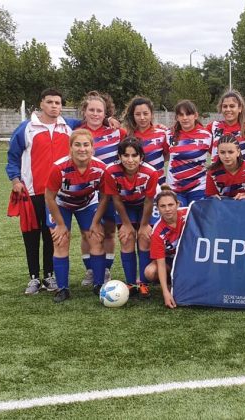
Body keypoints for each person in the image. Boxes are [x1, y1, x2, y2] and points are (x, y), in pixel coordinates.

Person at [6, 88, 80, 295]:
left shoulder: (70, 126)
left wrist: (111, 120)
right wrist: (15, 180)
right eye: (50, 102)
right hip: (32, 191)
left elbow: (95, 122)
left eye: (58, 103)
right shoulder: (26, 129)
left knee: (52, 235)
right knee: (31, 235)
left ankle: (49, 275)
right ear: (41, 104)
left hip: (59, 194)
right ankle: (33, 278)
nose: (54, 106)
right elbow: (12, 158)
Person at [44, 129, 108, 303]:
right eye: (77, 145)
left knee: (95, 238)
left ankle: (98, 284)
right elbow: (49, 196)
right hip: (60, 204)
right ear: (70, 148)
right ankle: (63, 288)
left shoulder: (101, 168)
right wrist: (60, 224)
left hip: (87, 204)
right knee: (61, 240)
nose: (82, 149)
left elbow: (104, 198)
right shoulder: (59, 168)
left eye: (86, 145)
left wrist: (96, 222)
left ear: (92, 148)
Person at [98, 137, 159, 299]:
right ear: (119, 157)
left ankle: (144, 283)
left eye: (134, 155)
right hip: (125, 206)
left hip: (144, 206)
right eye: (125, 155)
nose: (130, 160)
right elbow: (116, 199)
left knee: (145, 238)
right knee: (126, 238)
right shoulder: (110, 171)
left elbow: (149, 201)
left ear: (141, 157)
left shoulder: (151, 173)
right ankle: (131, 284)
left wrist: (145, 225)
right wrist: (126, 224)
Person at [78, 91, 126, 288]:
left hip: (109, 190)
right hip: (84, 191)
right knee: (87, 232)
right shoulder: (77, 131)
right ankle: (90, 269)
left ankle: (105, 269)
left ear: (106, 113)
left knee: (108, 232)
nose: (95, 114)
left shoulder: (116, 132)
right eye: (92, 110)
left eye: (100, 110)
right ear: (84, 111)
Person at [145, 186, 188, 309]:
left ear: (177, 204)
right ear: (157, 208)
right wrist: (165, 293)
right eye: (163, 206)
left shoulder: (189, 213)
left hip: (190, 258)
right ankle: (170, 286)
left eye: (171, 205)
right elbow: (161, 263)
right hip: (170, 261)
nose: (167, 209)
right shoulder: (157, 232)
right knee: (150, 272)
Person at [167, 100, 213, 206]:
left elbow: (216, 156)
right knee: (179, 220)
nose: (185, 118)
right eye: (181, 115)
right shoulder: (169, 134)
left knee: (197, 221)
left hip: (199, 187)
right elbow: (164, 155)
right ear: (177, 117)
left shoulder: (207, 135)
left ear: (195, 115)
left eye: (188, 114)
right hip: (175, 188)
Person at [122, 96, 170, 184]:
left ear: (151, 114)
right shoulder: (127, 136)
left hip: (158, 183)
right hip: (137, 185)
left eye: (145, 113)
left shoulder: (162, 134)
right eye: (137, 114)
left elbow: (167, 155)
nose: (142, 117)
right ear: (133, 116)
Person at [206, 134, 245, 199]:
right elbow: (210, 195)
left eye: (230, 152)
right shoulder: (212, 172)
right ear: (218, 153)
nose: (227, 156)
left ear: (238, 152)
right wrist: (213, 197)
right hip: (223, 207)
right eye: (222, 152)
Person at [208, 90, 245, 162]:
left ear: (240, 108)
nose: (228, 109)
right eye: (225, 106)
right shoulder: (213, 126)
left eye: (232, 106)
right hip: (217, 172)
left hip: (241, 172)